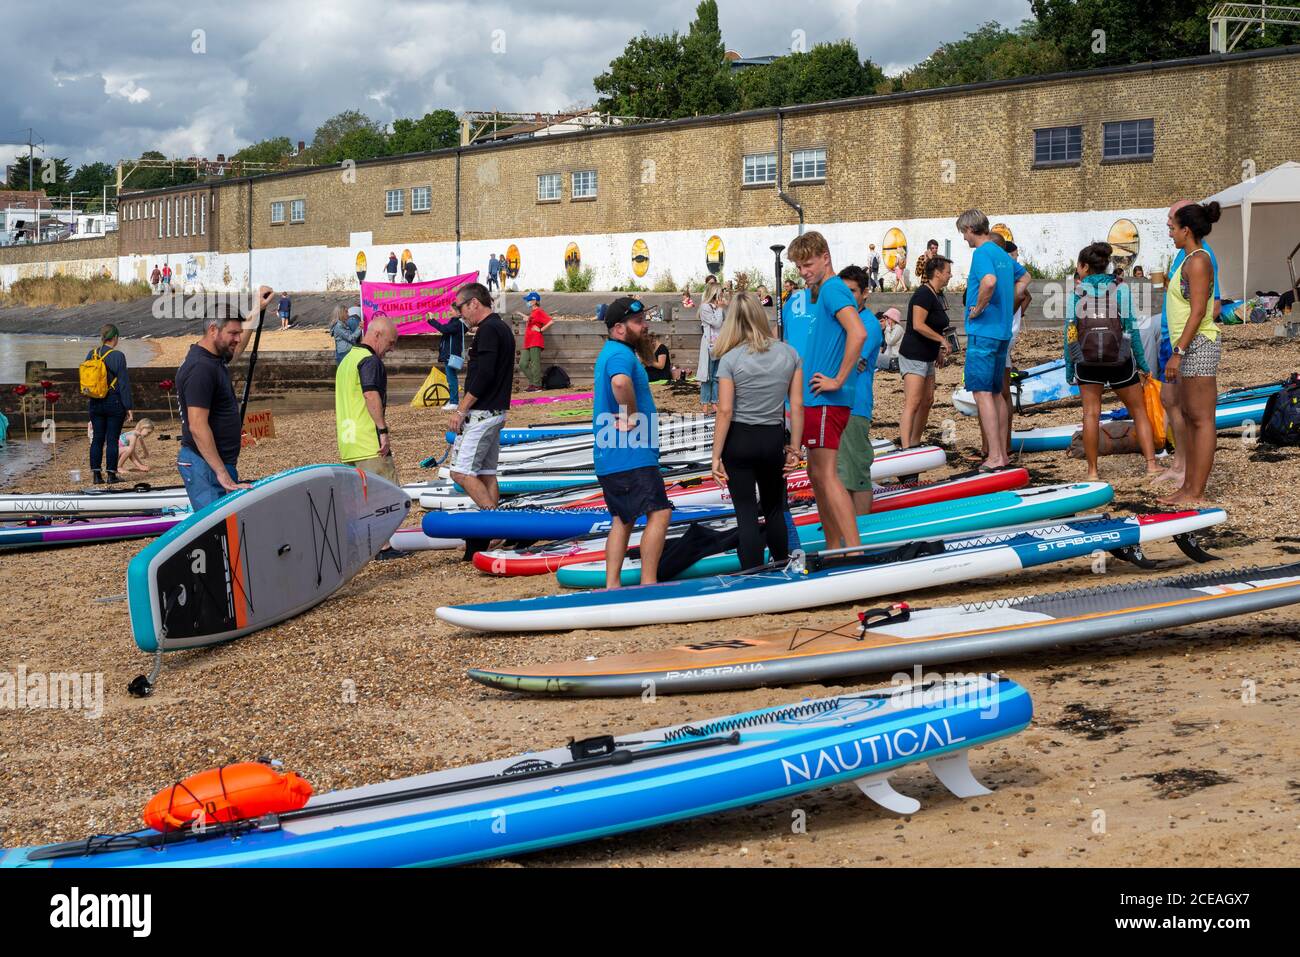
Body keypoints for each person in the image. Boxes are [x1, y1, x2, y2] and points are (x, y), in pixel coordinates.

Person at [711, 291, 803, 569]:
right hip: (772, 438)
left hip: (739, 439)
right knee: (775, 508)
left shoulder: (730, 360)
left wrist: (715, 456)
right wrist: (795, 448)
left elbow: (725, 411)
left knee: (746, 512)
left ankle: (751, 572)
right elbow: (796, 405)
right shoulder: (789, 353)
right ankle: (781, 563)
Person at [787, 230, 865, 551]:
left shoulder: (833, 289)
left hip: (826, 399)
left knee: (827, 476)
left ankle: (853, 548)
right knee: (818, 477)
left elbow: (857, 333)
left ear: (825, 258)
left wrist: (837, 379)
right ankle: (835, 547)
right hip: (817, 399)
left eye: (808, 265)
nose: (804, 273)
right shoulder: (827, 293)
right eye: (799, 268)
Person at [593, 297, 672, 588]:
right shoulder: (620, 355)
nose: (645, 325)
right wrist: (630, 415)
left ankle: (612, 585)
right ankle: (648, 584)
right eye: (638, 322)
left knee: (622, 519)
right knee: (660, 512)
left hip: (611, 453)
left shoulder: (613, 351)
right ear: (619, 328)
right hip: (630, 452)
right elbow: (620, 383)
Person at [1065, 242, 1158, 481]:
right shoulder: (1121, 289)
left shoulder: (1076, 292)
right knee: (1139, 411)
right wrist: (1142, 365)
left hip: (1086, 363)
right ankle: (1151, 465)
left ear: (1084, 266)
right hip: (1120, 361)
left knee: (1090, 415)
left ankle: (1093, 472)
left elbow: (1070, 333)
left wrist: (1070, 369)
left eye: (1079, 265)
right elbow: (1131, 330)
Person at [176, 287, 275, 509]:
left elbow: (237, 351)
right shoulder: (200, 368)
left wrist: (256, 309)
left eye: (239, 333)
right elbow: (197, 426)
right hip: (205, 466)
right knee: (217, 532)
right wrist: (222, 474)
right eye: (233, 334)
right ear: (213, 330)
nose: (238, 339)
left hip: (215, 463)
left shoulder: (213, 358)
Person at [1154, 199, 1223, 491]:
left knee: (1201, 419)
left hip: (1197, 346)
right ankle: (1189, 487)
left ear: (1187, 230)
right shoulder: (1187, 258)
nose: (1170, 233)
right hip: (1189, 346)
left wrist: (1178, 353)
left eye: (1173, 228)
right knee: (1192, 418)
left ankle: (1195, 491)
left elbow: (1198, 312)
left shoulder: (1198, 260)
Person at [957, 209, 1029, 471]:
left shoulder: (982, 252)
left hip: (984, 332)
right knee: (997, 393)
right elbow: (1025, 277)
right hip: (1001, 332)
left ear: (969, 229)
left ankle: (996, 456)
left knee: (981, 392)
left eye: (963, 233)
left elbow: (988, 282)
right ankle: (1003, 453)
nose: (964, 239)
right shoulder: (1001, 253)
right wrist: (1008, 300)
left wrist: (977, 308)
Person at [448, 283, 514, 515]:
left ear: (474, 303)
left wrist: (460, 410)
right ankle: (494, 533)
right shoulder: (502, 327)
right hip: (496, 412)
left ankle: (496, 523)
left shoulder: (488, 330)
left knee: (461, 472)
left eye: (460, 307)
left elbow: (485, 374)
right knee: (486, 474)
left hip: (482, 413)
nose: (459, 313)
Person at [835, 265, 884, 515]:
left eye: (852, 291)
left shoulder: (868, 325)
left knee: (857, 476)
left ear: (865, 293)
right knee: (842, 476)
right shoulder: (842, 319)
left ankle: (860, 534)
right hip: (835, 404)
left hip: (854, 406)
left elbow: (852, 363)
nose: (847, 297)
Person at [336, 314, 400, 484]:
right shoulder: (370, 360)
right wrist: (383, 431)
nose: (392, 349)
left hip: (348, 446)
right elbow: (370, 394)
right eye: (391, 342)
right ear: (377, 334)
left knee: (360, 505)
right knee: (389, 502)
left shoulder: (346, 360)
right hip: (371, 447)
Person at [900, 256, 953, 449]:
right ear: (937, 273)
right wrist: (941, 340)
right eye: (947, 271)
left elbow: (935, 325)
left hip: (928, 356)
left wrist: (937, 350)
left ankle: (914, 442)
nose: (950, 275)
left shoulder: (936, 295)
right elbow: (918, 325)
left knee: (927, 400)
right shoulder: (923, 294)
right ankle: (906, 448)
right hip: (914, 354)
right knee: (913, 402)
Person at [85, 323, 134, 485]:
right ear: (115, 338)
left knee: (97, 439)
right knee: (112, 439)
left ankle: (96, 475)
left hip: (95, 402)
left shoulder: (91, 354)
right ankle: (111, 474)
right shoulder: (118, 356)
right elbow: (124, 383)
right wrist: (128, 407)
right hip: (114, 402)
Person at [427, 307, 467, 410]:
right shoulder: (455, 322)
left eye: (452, 310)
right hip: (450, 355)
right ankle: (453, 400)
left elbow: (444, 329)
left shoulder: (457, 324)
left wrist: (432, 320)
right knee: (450, 378)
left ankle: (454, 402)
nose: (449, 311)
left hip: (451, 355)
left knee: (451, 378)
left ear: (458, 313)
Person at [696, 284, 725, 412]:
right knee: (707, 376)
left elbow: (723, 324)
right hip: (709, 345)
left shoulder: (720, 308)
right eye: (720, 292)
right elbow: (716, 323)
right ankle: (704, 403)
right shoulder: (705, 307)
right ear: (714, 293)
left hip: (719, 345)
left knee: (716, 376)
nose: (722, 294)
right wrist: (719, 309)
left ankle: (714, 402)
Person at [520, 291, 553, 391]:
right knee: (523, 363)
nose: (527, 302)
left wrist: (540, 330)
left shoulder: (539, 311)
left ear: (534, 301)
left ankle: (537, 385)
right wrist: (528, 318)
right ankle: (534, 382)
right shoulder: (533, 312)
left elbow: (551, 321)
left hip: (535, 340)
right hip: (528, 342)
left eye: (529, 300)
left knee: (535, 363)